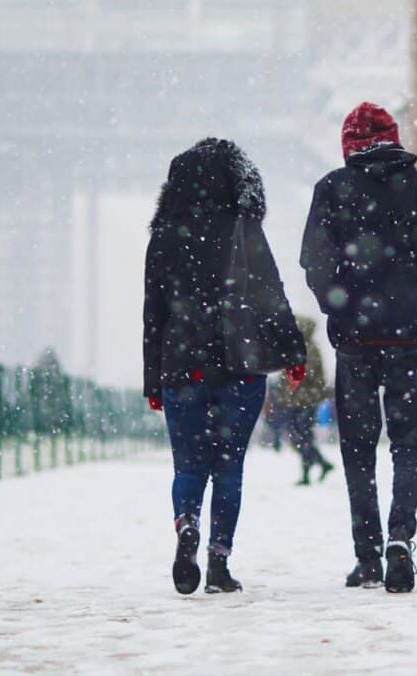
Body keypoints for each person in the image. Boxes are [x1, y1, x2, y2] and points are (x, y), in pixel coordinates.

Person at [300, 102, 417, 594]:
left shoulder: (331, 189)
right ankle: (401, 535)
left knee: (357, 449)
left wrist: (340, 308)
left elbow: (315, 263)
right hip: (408, 336)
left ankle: (367, 554)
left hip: (356, 341)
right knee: (408, 444)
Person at [142, 138, 307, 595]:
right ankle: (218, 561)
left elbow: (153, 313)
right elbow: (271, 295)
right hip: (239, 361)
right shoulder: (242, 228)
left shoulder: (164, 235)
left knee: (188, 467)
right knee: (229, 467)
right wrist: (293, 352)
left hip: (182, 366)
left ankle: (187, 523)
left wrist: (152, 379)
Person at [283, 315, 335, 485]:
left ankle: (311, 470)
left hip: (306, 400)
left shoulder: (308, 348)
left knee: (302, 437)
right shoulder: (300, 348)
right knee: (300, 437)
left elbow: (306, 375)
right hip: (299, 400)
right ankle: (320, 464)